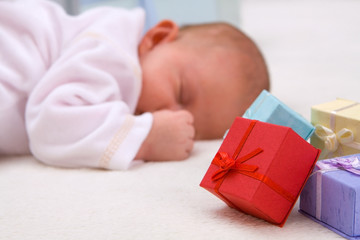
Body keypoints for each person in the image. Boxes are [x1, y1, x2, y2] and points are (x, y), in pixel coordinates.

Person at [0, 0, 269, 170]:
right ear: (157, 38)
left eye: (192, 127)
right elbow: (50, 125)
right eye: (181, 92)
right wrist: (145, 136)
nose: (172, 115)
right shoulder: (113, 51)